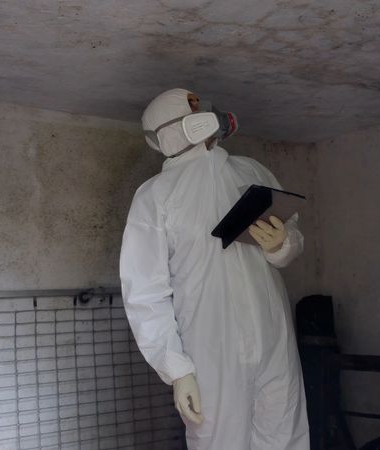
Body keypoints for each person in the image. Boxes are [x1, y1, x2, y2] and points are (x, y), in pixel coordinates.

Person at [119, 88, 309, 449]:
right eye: (193, 106)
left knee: (284, 437)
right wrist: (178, 370)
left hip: (273, 339)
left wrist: (281, 244)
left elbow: (292, 236)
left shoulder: (250, 170)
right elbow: (145, 294)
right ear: (171, 126)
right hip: (210, 350)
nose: (206, 111)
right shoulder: (155, 196)